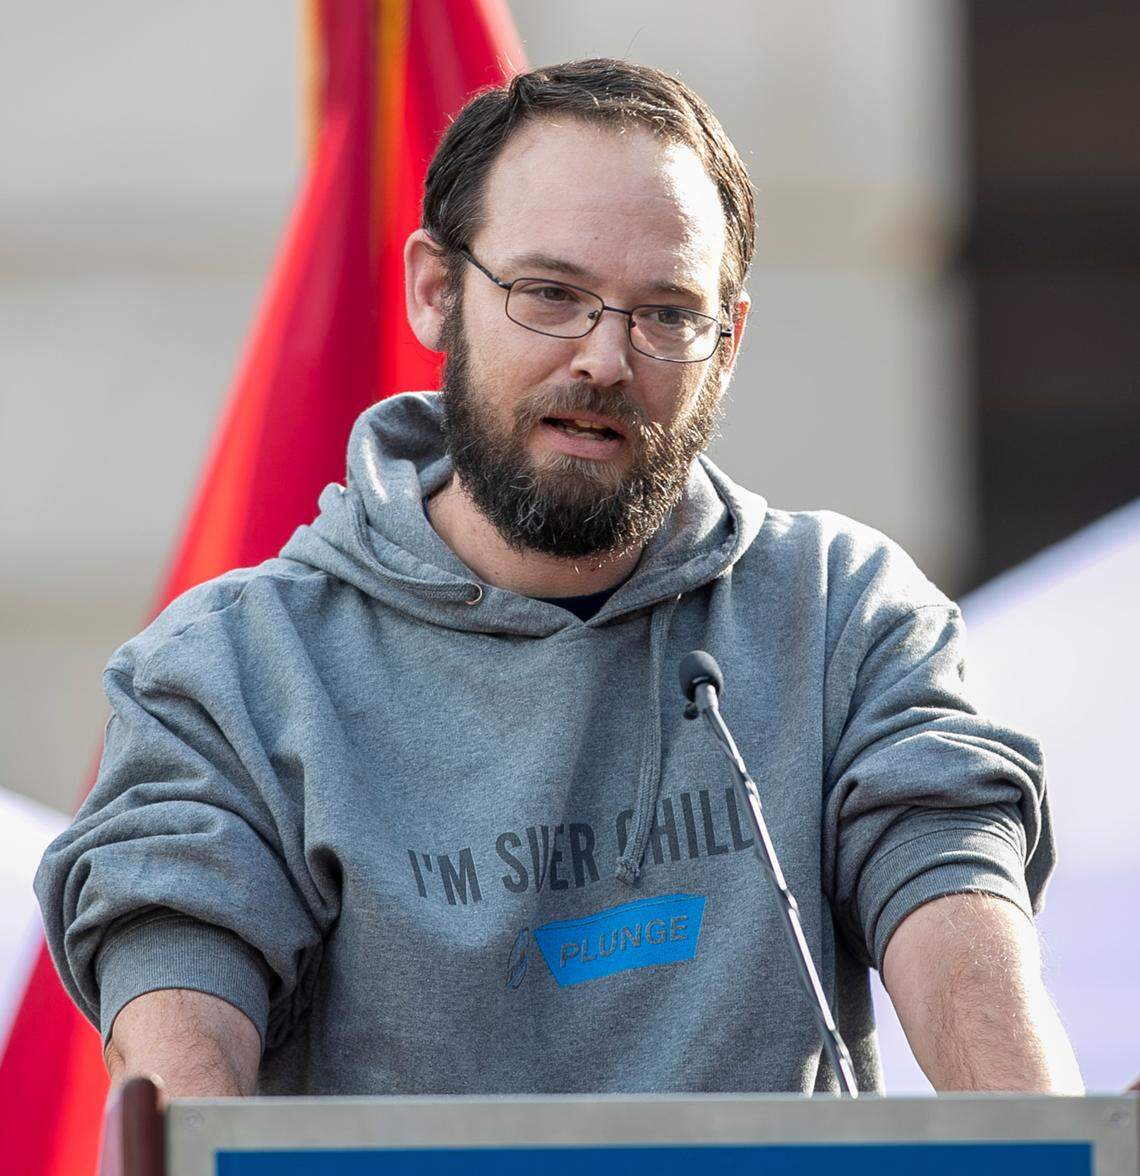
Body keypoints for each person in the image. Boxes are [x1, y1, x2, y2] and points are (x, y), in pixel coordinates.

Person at [36, 59, 1083, 1099]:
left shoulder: (842, 614)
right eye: (551, 294)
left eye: (667, 312)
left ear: (728, 345)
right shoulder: (230, 675)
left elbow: (962, 924)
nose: (605, 359)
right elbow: (178, 1099)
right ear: (437, 292)